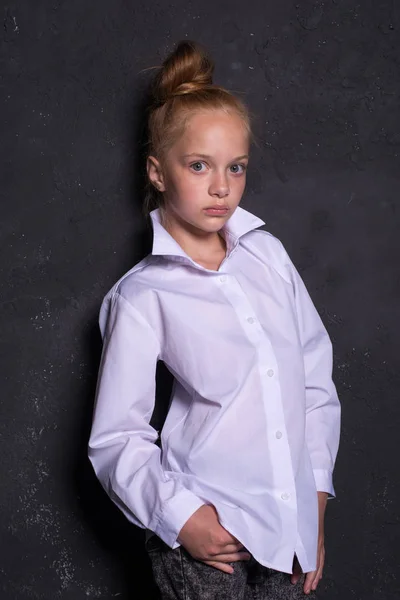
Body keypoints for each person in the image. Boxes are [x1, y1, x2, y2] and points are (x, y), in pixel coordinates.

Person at [88, 40, 341, 600]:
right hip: (208, 543)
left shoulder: (269, 256)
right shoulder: (142, 295)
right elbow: (116, 437)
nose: (221, 186)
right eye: (198, 165)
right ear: (157, 171)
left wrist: (314, 505)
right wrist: (181, 518)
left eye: (236, 167)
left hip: (288, 536)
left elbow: (314, 384)